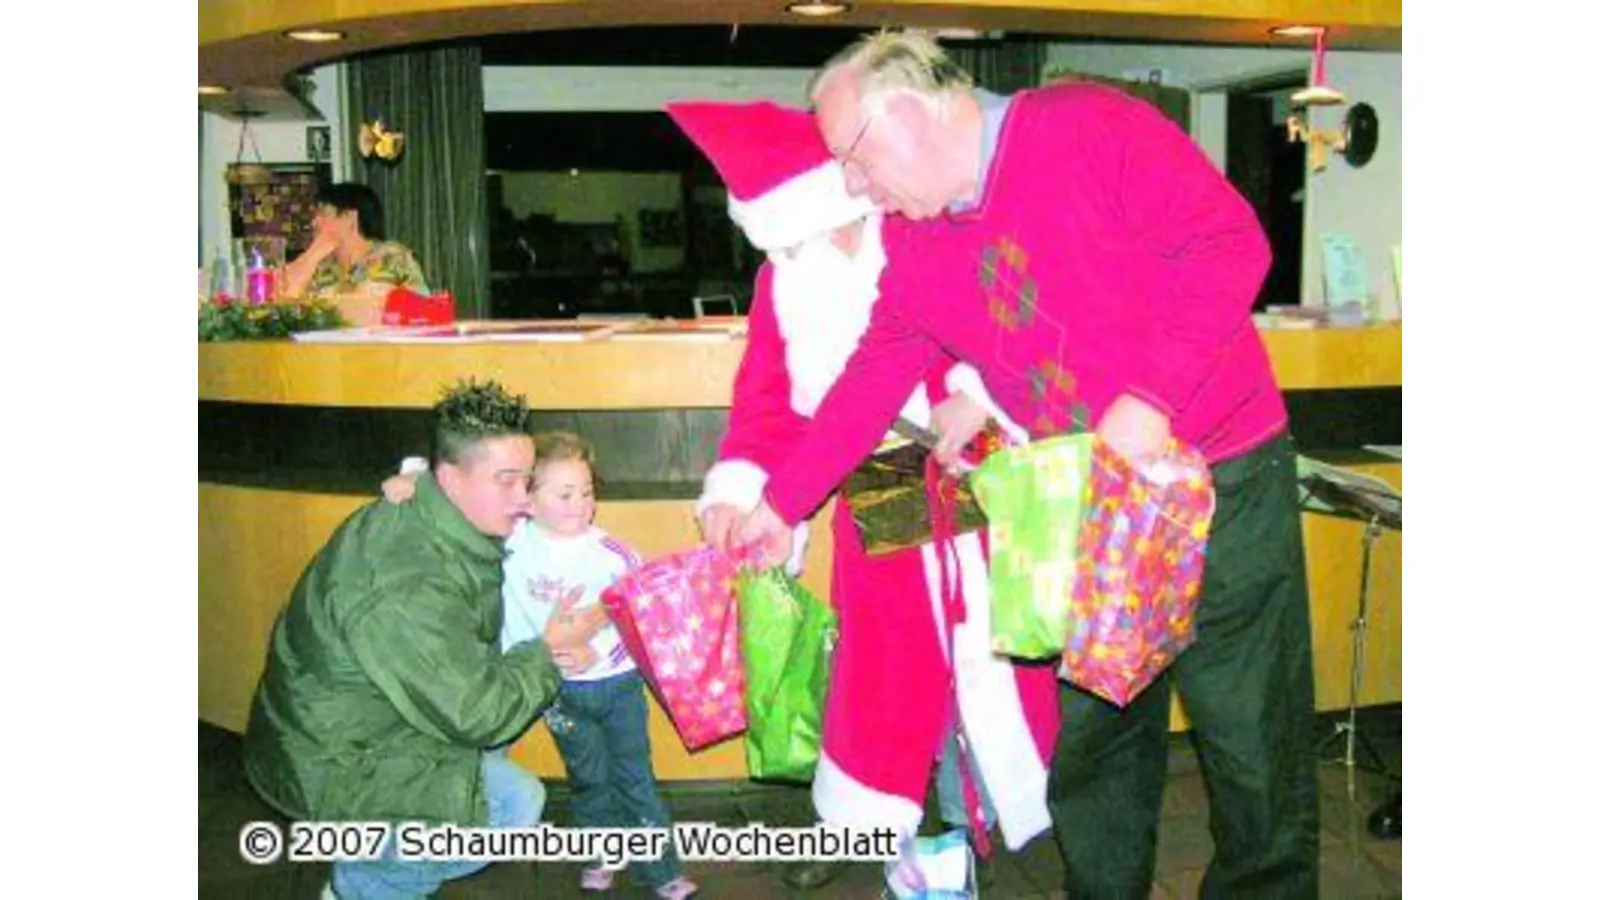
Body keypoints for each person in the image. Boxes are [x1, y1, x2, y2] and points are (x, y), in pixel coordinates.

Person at [728, 30, 1321, 898]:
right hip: (1081, 500)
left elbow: (1230, 242)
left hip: (1221, 478)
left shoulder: (1087, 126)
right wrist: (782, 503)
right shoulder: (919, 245)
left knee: (1251, 746)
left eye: (854, 157)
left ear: (913, 108)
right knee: (1100, 746)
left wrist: (1151, 397)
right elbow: (871, 376)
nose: (852, 185)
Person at [666, 100, 1059, 894]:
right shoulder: (782, 277)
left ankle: (982, 823)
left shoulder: (926, 231)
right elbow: (768, 406)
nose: (789, 245)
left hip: (980, 478)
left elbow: (1021, 321)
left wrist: (979, 394)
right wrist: (740, 495)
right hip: (874, 494)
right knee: (888, 681)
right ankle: (893, 835)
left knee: (993, 662)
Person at [242, 380, 597, 900]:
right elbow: (478, 711)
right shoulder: (406, 580)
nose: (523, 500)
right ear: (450, 475)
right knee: (515, 803)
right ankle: (365, 884)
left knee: (495, 737)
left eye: (527, 480)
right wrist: (544, 653)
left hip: (355, 724)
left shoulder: (435, 506)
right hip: (332, 758)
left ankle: (384, 851)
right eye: (507, 481)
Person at [384, 432, 698, 899]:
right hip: (557, 691)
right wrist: (410, 478)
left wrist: (603, 652)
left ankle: (662, 870)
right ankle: (602, 854)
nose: (582, 504)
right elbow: (455, 500)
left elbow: (647, 625)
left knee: (635, 779)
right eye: (565, 494)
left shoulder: (614, 553)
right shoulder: (511, 545)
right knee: (588, 779)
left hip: (617, 686)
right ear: (528, 500)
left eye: (588, 492)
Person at [281, 181, 429, 298]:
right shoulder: (321, 268)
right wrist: (312, 256)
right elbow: (287, 305)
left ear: (349, 217)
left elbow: (424, 310)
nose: (314, 222)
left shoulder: (391, 257)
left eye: (323, 213)